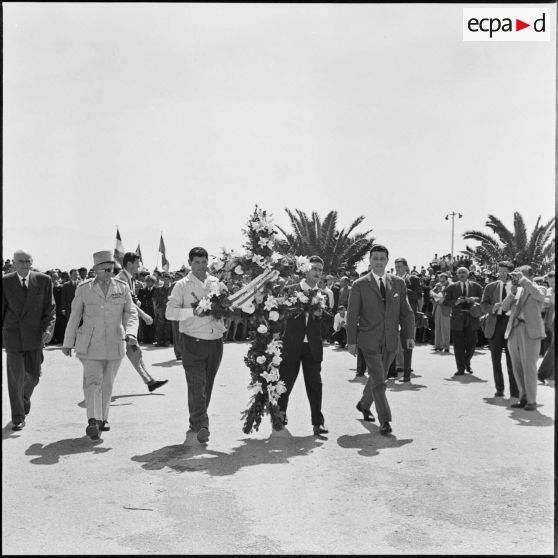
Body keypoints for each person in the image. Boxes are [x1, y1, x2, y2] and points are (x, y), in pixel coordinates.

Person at [62, 251, 139, 439]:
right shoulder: (84, 288)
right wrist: (67, 342)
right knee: (92, 382)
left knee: (107, 384)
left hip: (114, 343)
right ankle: (92, 420)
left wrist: (131, 332)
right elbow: (75, 316)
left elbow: (130, 312)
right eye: (104, 268)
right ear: (95, 269)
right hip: (90, 344)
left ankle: (104, 418)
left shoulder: (122, 287)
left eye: (111, 268)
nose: (108, 272)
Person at [346, 244, 415, 435]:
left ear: (387, 261)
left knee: (379, 377)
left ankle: (364, 404)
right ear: (369, 261)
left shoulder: (398, 283)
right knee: (380, 380)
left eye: (382, 258)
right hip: (368, 340)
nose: (378, 262)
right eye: (375, 258)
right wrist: (351, 341)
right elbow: (351, 315)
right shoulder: (359, 284)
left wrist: (409, 335)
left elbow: (407, 313)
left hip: (391, 340)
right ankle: (385, 420)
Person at [166, 247, 227, 444]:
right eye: (197, 262)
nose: (201, 266)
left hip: (215, 341)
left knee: (206, 385)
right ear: (190, 263)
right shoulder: (181, 286)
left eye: (204, 262)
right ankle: (202, 424)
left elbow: (227, 306)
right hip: (192, 340)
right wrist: (192, 312)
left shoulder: (217, 283)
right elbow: (170, 313)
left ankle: (196, 421)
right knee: (196, 384)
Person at [2, 250, 56, 431]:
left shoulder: (43, 280)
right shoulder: (5, 281)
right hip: (14, 335)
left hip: (35, 335)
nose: (25, 264)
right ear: (14, 264)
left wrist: (48, 330)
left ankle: (24, 398)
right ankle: (18, 416)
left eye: (28, 261)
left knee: (33, 375)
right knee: (15, 378)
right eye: (21, 261)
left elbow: (50, 310)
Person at [277, 256, 329, 435]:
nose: (317, 273)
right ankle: (281, 413)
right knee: (285, 381)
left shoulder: (324, 294)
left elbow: (327, 325)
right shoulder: (290, 291)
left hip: (312, 347)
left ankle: (318, 422)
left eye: (320, 270)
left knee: (315, 384)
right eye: (314, 268)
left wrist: (321, 315)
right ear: (306, 270)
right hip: (292, 344)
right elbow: (280, 316)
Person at [116, 252, 167, 392]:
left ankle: (149, 380)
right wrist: (144, 315)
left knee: (135, 352)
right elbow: (128, 303)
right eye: (137, 263)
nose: (139, 266)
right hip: (121, 323)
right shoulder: (121, 279)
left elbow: (131, 301)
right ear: (129, 263)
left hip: (127, 322)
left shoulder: (129, 278)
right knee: (132, 351)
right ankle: (149, 381)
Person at [501, 266, 546, 411]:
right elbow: (504, 307)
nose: (518, 277)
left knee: (529, 367)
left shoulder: (539, 288)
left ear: (530, 276)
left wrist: (523, 279)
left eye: (522, 274)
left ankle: (532, 401)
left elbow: (540, 297)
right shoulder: (517, 289)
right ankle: (523, 397)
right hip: (515, 330)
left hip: (530, 331)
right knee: (517, 367)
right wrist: (511, 293)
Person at [480, 261, 519, 398]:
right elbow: (482, 305)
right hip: (495, 325)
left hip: (511, 324)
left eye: (505, 271)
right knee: (496, 360)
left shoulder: (517, 287)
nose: (502, 274)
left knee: (512, 360)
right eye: (500, 271)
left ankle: (515, 391)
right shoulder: (490, 287)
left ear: (510, 272)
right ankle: (499, 389)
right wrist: (492, 308)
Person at [443, 267, 483, 376]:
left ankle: (467, 362)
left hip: (472, 317)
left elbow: (483, 299)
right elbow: (446, 302)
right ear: (456, 274)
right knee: (458, 345)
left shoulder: (476, 286)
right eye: (459, 272)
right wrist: (456, 301)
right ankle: (460, 368)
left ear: (468, 273)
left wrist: (473, 299)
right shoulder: (451, 287)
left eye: (464, 272)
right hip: (457, 317)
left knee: (472, 343)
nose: (462, 274)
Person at [394, 257, 421, 382]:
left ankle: (406, 373)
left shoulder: (413, 279)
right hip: (394, 316)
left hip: (408, 316)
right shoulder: (392, 279)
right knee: (395, 343)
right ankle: (397, 367)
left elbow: (418, 295)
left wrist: (403, 289)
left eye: (399, 266)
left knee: (407, 344)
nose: (397, 269)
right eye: (396, 266)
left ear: (406, 266)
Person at [538, 271, 555, 383]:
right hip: (550, 323)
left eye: (554, 282)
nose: (552, 284)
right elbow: (542, 308)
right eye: (550, 282)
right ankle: (542, 374)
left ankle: (547, 374)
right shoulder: (548, 292)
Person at [137, 275, 157, 344]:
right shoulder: (142, 291)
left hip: (153, 310)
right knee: (144, 324)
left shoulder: (156, 290)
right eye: (147, 281)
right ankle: (145, 339)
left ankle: (152, 339)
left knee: (152, 325)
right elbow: (139, 301)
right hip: (144, 310)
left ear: (153, 282)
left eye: (150, 281)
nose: (148, 283)